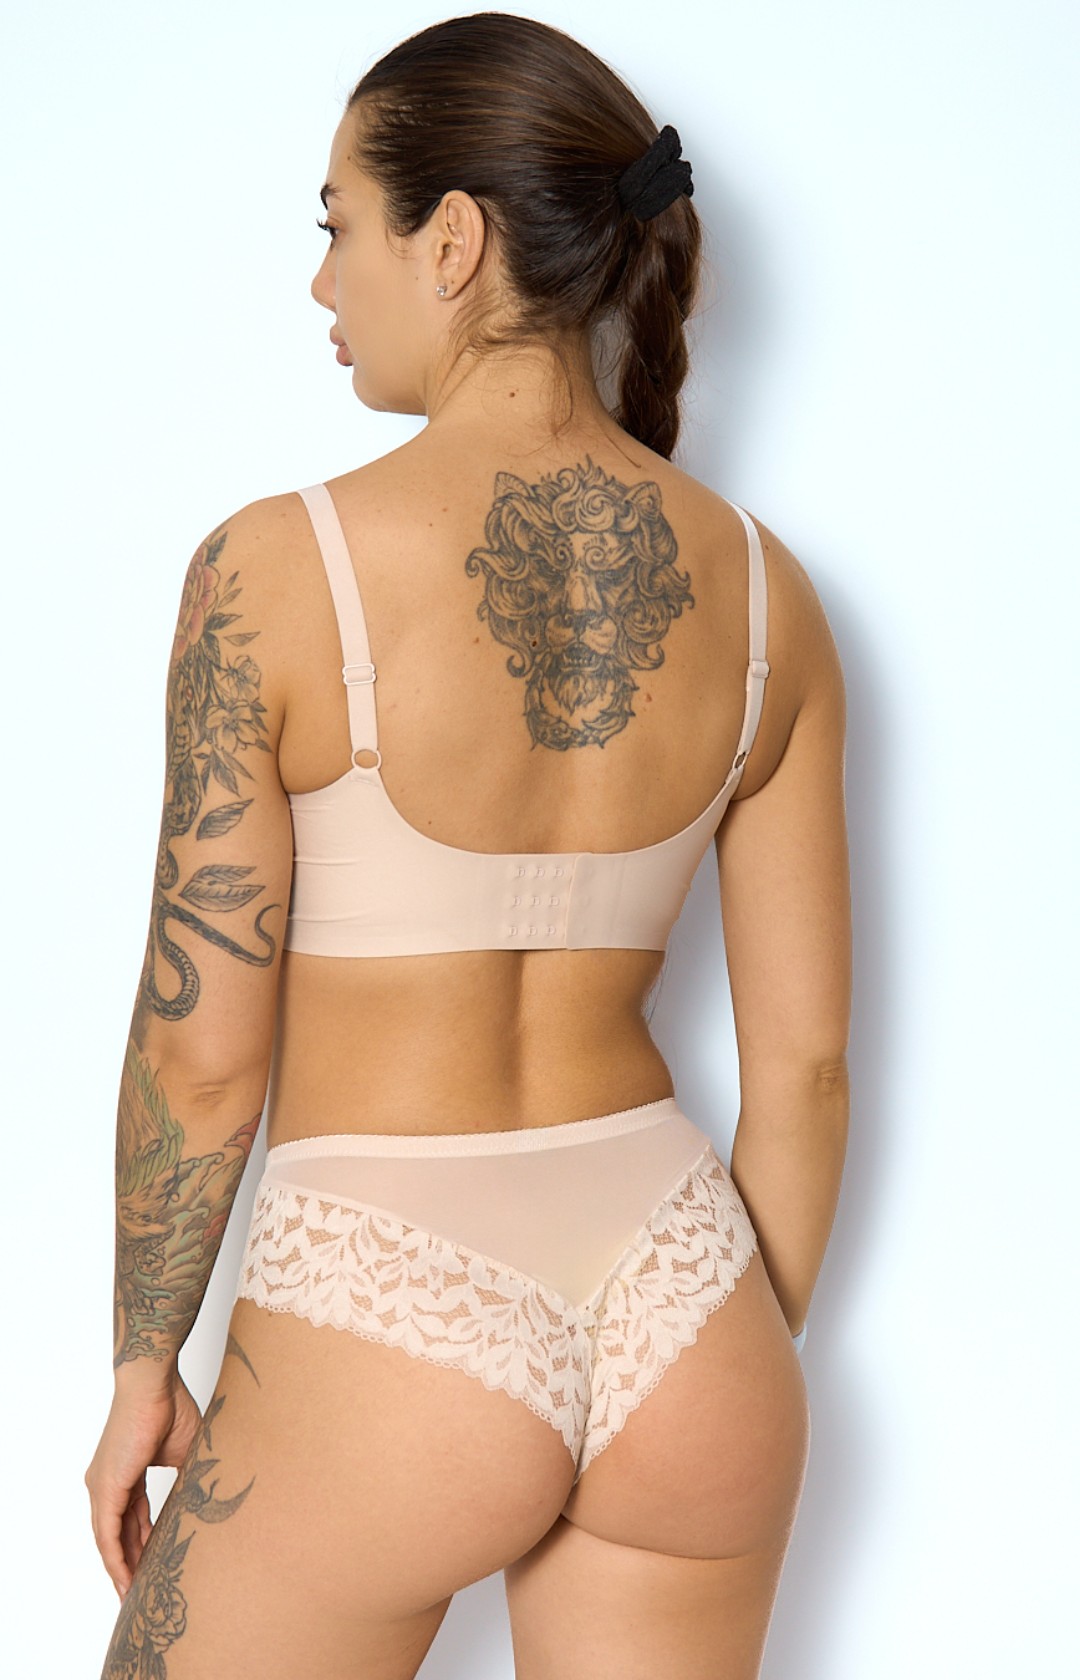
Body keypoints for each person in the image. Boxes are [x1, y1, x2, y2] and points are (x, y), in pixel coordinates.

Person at [84, 12, 851, 1678]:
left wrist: (144, 1360)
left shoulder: (276, 572)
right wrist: (715, 1368)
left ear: (452, 242)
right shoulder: (766, 592)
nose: (323, 282)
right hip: (685, 1292)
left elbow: (204, 1058)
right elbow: (802, 1078)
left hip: (388, 1304)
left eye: (338, 226)